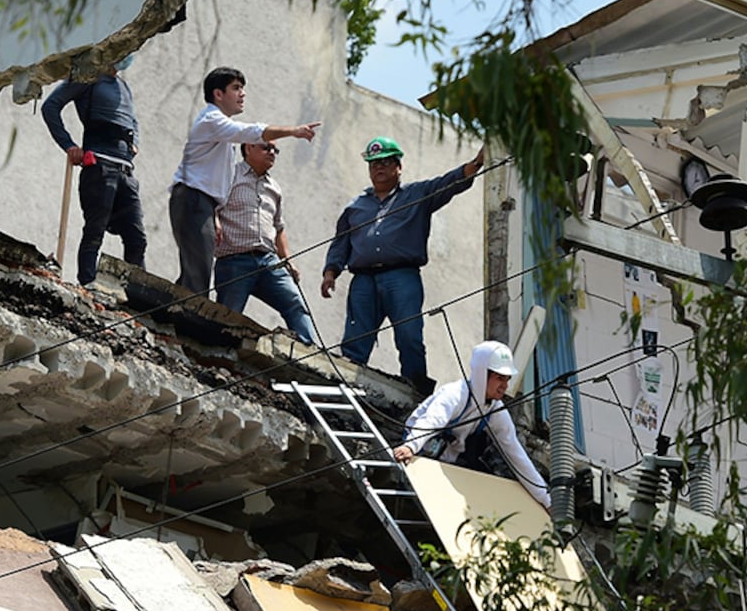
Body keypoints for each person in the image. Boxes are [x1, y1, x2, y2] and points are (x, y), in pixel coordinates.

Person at [321, 137, 484, 394]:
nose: (378, 168)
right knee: (356, 337)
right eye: (373, 164)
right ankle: (348, 381)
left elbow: (448, 183)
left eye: (385, 162)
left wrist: (477, 163)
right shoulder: (356, 206)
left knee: (409, 335)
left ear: (399, 166)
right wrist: (330, 273)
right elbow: (341, 242)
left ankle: (415, 388)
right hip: (363, 278)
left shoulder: (416, 195)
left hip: (402, 276)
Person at [170, 67, 320, 295]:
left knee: (194, 271)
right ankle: (181, 323)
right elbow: (251, 132)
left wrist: (215, 214)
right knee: (197, 275)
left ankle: (173, 317)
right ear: (218, 94)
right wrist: (294, 131)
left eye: (243, 88)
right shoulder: (212, 119)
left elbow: (215, 180)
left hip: (201, 203)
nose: (242, 94)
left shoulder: (220, 130)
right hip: (192, 199)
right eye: (236, 88)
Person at [393, 341, 551, 511]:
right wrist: (411, 446)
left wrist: (546, 499)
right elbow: (432, 420)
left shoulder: (495, 411)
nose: (504, 386)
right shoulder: (455, 394)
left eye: (507, 379)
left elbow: (516, 455)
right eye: (499, 378)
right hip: (417, 456)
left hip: (445, 465)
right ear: (483, 375)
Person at [39, 57, 145, 286]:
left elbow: (133, 121)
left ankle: (136, 291)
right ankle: (87, 283)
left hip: (126, 170)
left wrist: (134, 142)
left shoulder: (124, 87)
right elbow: (50, 106)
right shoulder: (88, 77)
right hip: (99, 165)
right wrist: (68, 145)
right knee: (95, 231)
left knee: (136, 238)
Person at [214, 142, 316, 343]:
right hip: (234, 260)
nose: (272, 152)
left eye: (275, 150)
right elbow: (210, 205)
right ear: (248, 148)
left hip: (269, 261)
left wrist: (288, 260)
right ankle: (220, 356)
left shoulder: (274, 187)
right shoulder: (228, 175)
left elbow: (279, 228)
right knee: (228, 315)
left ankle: (309, 351)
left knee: (295, 303)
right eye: (266, 147)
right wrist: (214, 219)